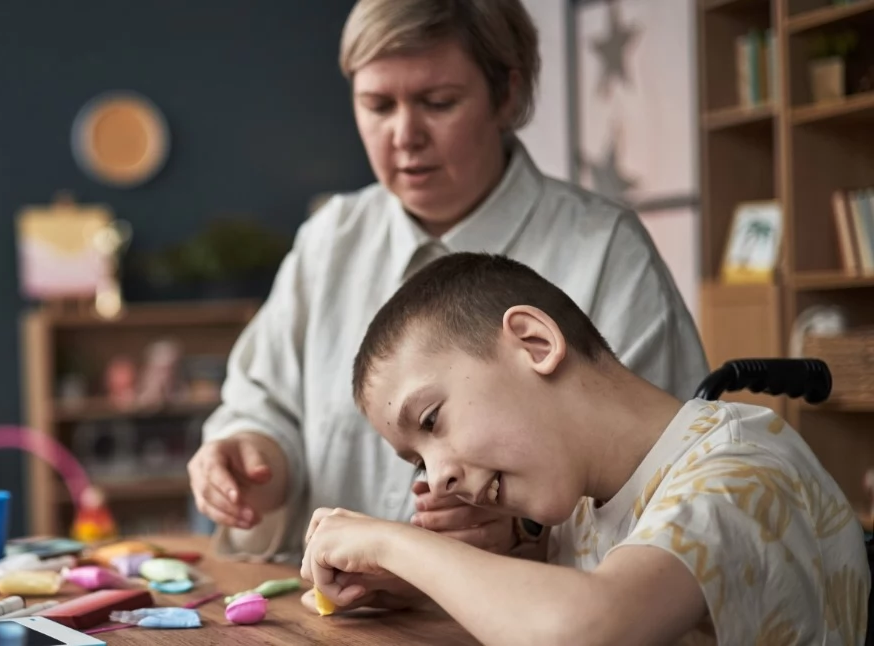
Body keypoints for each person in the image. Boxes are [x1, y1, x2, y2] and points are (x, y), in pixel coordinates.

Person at [189, 0, 708, 590]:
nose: (404, 135)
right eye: (377, 105)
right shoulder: (328, 241)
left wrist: (526, 535)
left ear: (507, 96)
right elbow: (263, 406)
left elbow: (666, 483)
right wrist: (252, 458)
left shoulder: (604, 250)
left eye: (438, 103)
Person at [301, 252, 869, 644]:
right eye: (419, 462)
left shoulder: (741, 471)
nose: (436, 478)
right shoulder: (584, 506)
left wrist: (394, 545)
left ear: (535, 342)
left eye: (431, 419)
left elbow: (586, 628)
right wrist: (417, 588)